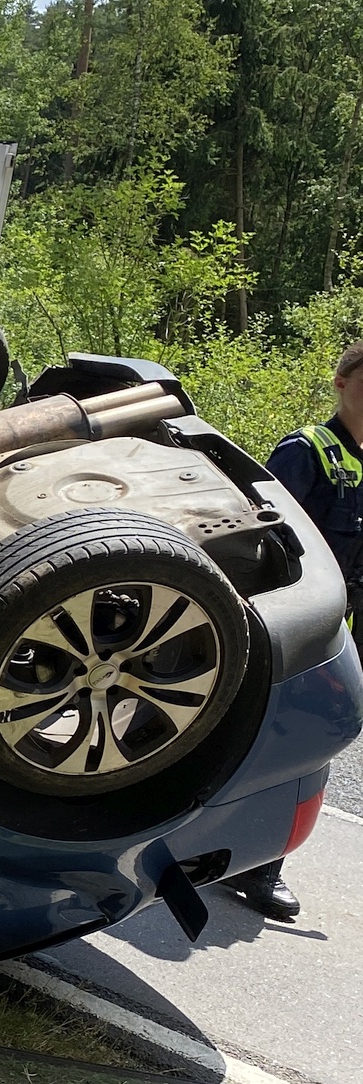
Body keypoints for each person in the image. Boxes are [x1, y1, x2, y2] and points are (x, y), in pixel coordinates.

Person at [221, 339, 363, 920]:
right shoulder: (310, 451)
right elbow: (269, 542)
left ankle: (253, 857)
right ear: (341, 382)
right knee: (267, 738)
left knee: (308, 743)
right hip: (295, 624)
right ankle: (249, 862)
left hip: (345, 634)